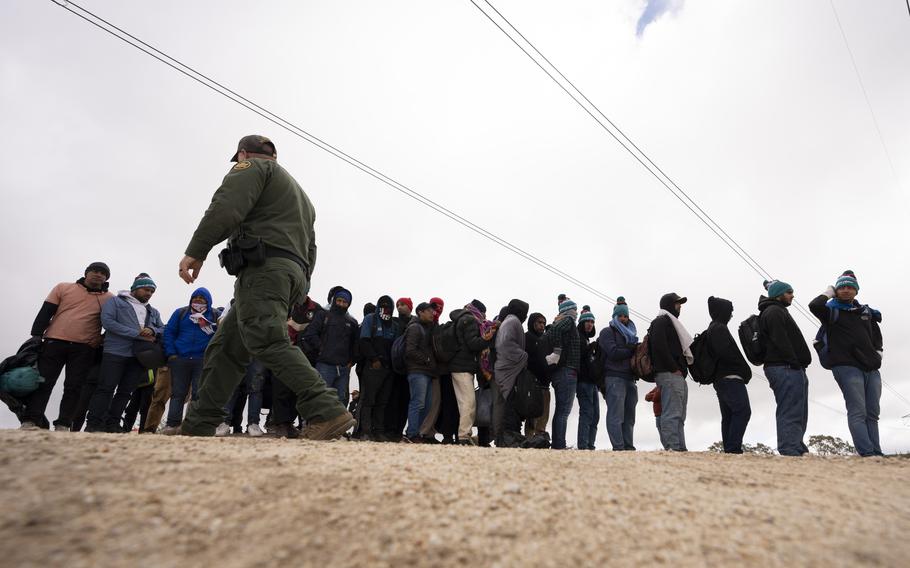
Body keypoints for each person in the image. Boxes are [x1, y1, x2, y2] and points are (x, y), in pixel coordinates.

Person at [177, 134, 354, 439]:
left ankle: (326, 409)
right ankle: (199, 423)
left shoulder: (252, 169)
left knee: (267, 340)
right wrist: (299, 287)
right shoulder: (302, 197)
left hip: (264, 270)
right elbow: (312, 248)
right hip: (289, 274)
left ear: (244, 154)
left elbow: (226, 207)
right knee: (226, 349)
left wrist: (197, 249)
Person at [20, 262, 113, 430]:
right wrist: (36, 336)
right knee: (43, 382)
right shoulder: (63, 288)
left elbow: (114, 322)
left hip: (85, 348)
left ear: (106, 278)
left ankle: (63, 424)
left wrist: (102, 339)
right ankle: (30, 420)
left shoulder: (110, 299)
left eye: (103, 273)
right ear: (86, 273)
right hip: (54, 341)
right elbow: (46, 311)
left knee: (74, 387)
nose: (98, 275)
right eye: (94, 271)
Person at [809, 271, 884, 457]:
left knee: (873, 413)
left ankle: (877, 453)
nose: (846, 290)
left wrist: (878, 354)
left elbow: (876, 335)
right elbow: (814, 305)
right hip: (846, 366)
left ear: (856, 291)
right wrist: (829, 292)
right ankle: (868, 454)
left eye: (850, 287)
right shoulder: (830, 311)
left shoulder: (865, 312)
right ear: (836, 290)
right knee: (858, 411)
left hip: (871, 367)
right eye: (842, 287)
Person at [85, 274, 164, 433]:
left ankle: (112, 423)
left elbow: (163, 328)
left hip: (139, 356)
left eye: (151, 291)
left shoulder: (153, 311)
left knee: (125, 392)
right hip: (115, 352)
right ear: (135, 288)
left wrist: (153, 330)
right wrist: (136, 333)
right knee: (106, 388)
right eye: (145, 289)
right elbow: (108, 322)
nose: (148, 293)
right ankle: (94, 423)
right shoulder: (115, 301)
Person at [758, 279, 811, 456]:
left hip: (790, 367)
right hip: (785, 367)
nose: (792, 295)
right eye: (789, 292)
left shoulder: (776, 310)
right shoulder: (773, 311)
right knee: (790, 409)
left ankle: (796, 445)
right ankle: (789, 448)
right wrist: (794, 362)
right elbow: (780, 340)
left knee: (799, 409)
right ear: (779, 294)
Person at [160, 287, 219, 434]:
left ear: (208, 301)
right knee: (178, 393)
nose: (198, 300)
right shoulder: (181, 313)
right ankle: (172, 425)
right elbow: (169, 332)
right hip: (180, 359)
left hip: (202, 360)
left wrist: (211, 356)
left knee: (199, 394)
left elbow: (219, 337)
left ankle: (192, 425)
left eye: (202, 298)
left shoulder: (214, 315)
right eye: (195, 297)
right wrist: (171, 354)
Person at [706, 296, 752, 454]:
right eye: (730, 311)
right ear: (723, 311)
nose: (731, 315)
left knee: (729, 415)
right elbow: (725, 353)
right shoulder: (719, 328)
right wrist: (743, 369)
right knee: (742, 411)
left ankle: (730, 449)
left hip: (722, 379)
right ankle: (733, 448)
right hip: (730, 378)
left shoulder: (715, 327)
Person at [648, 292, 693, 451]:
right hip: (669, 374)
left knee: (679, 416)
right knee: (672, 414)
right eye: (677, 303)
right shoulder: (661, 322)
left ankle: (680, 449)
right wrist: (674, 368)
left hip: (675, 375)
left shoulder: (670, 323)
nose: (680, 306)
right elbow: (659, 346)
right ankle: (673, 449)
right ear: (668, 304)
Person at [447, 299, 494, 445]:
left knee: (464, 402)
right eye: (484, 313)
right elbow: (473, 343)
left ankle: (464, 435)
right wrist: (487, 338)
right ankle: (464, 437)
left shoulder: (463, 318)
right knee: (468, 402)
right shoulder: (470, 320)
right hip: (461, 367)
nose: (484, 317)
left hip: (460, 366)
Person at [301, 287, 358, 407]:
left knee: (340, 400)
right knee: (320, 397)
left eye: (345, 302)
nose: (341, 304)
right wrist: (322, 349)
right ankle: (314, 424)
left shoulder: (352, 322)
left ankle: (334, 425)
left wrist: (351, 361)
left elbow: (355, 344)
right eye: (339, 300)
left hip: (343, 368)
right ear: (334, 300)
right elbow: (310, 334)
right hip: (324, 365)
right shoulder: (323, 315)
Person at [357, 295, 401, 441]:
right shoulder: (371, 319)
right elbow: (364, 341)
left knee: (382, 401)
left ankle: (378, 431)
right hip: (373, 367)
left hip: (389, 369)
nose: (386, 308)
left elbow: (396, 347)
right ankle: (365, 431)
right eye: (382, 305)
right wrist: (374, 359)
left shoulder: (394, 325)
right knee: (368, 400)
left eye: (389, 306)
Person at [599, 297, 639, 451]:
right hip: (614, 377)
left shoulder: (632, 334)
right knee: (616, 416)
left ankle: (628, 447)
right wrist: (632, 350)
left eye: (626, 316)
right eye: (621, 315)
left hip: (630, 379)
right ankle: (618, 447)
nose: (623, 318)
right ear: (615, 316)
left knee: (629, 417)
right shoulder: (607, 332)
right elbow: (613, 352)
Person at [493, 299, 530, 448]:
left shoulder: (509, 321)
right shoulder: (513, 322)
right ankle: (509, 437)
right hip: (509, 370)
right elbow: (505, 344)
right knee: (511, 406)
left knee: (510, 404)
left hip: (507, 369)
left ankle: (509, 436)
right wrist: (523, 356)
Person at [544, 298, 580, 450]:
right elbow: (558, 331)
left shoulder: (556, 323)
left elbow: (554, 332)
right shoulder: (569, 320)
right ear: (570, 310)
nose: (576, 313)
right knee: (563, 411)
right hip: (568, 370)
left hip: (560, 372)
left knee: (560, 410)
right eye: (575, 310)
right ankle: (559, 445)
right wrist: (557, 352)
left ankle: (558, 443)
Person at [403, 302, 437, 443]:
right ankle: (411, 434)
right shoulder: (415, 327)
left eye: (432, 311)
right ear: (420, 312)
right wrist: (427, 359)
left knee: (427, 405)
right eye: (429, 310)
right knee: (417, 402)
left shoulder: (427, 328)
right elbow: (410, 351)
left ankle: (417, 433)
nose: (432, 313)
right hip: (417, 371)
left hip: (426, 372)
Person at [384, 297, 414, 440]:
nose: (399, 307)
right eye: (398, 305)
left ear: (410, 307)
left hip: (410, 368)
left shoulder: (415, 322)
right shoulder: (394, 322)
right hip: (394, 367)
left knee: (405, 400)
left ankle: (398, 431)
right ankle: (389, 430)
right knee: (392, 399)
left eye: (403, 305)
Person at [523, 312, 551, 439]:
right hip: (532, 385)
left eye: (544, 323)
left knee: (543, 417)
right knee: (531, 417)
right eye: (539, 322)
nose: (542, 325)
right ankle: (529, 441)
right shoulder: (526, 337)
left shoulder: (545, 339)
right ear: (532, 323)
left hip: (545, 385)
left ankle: (540, 441)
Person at [575, 309, 599, 450]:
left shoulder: (586, 339)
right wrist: (589, 349)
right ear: (582, 322)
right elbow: (579, 357)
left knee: (595, 415)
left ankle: (590, 445)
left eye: (592, 322)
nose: (590, 324)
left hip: (592, 382)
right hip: (583, 382)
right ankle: (583, 446)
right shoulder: (578, 337)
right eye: (587, 321)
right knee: (587, 413)